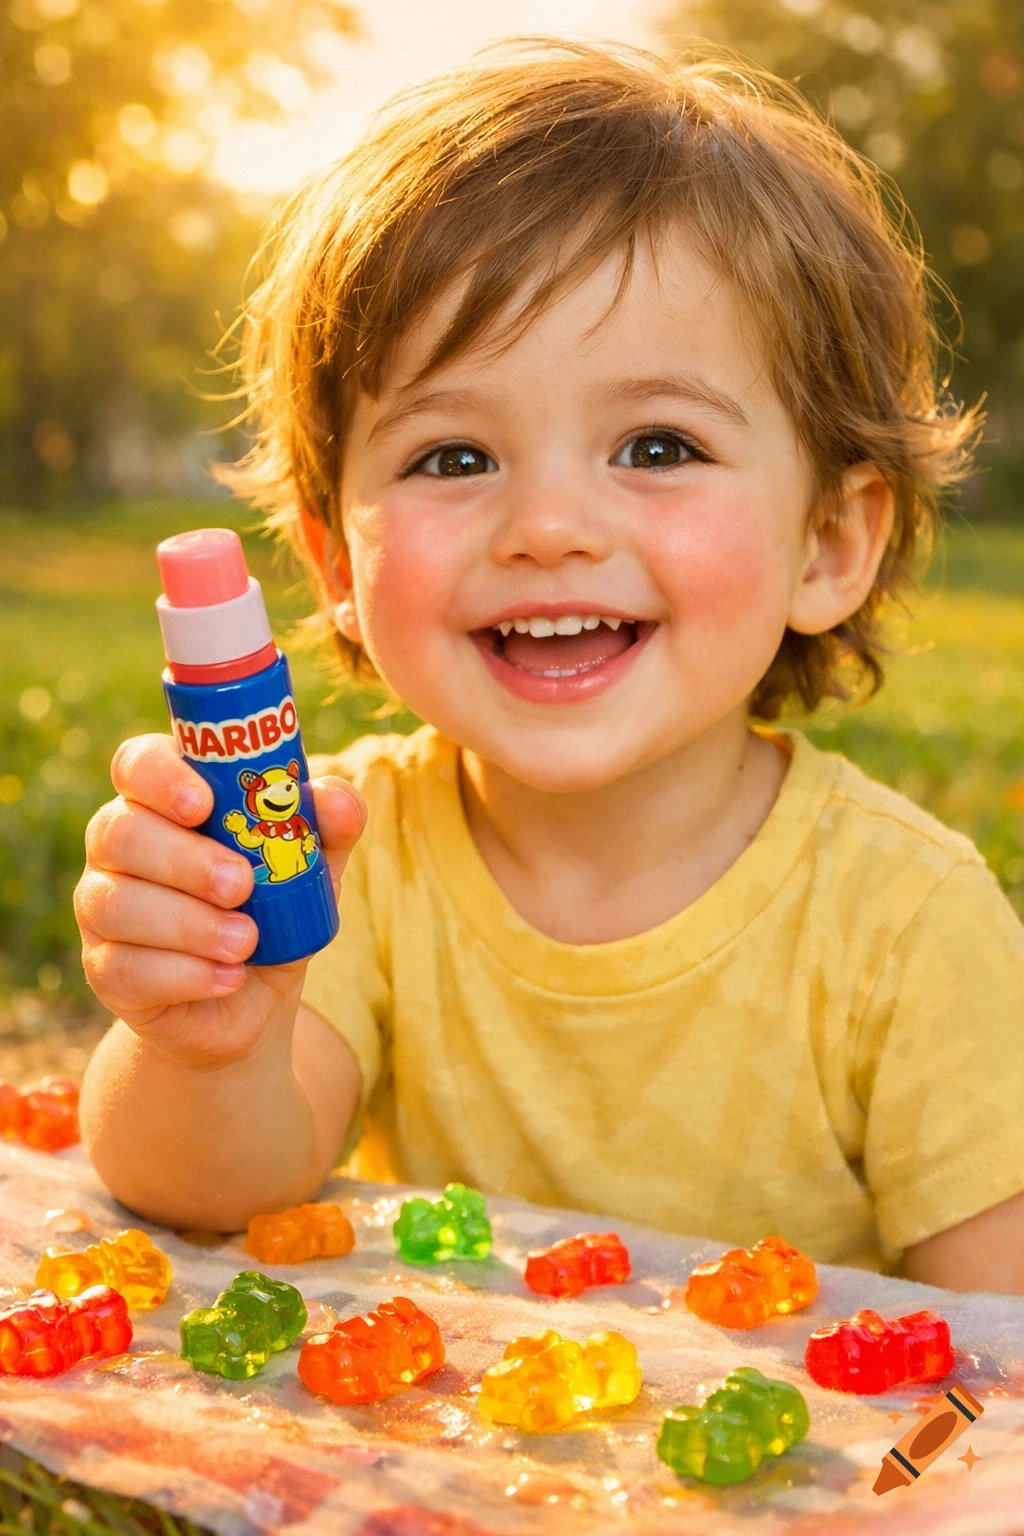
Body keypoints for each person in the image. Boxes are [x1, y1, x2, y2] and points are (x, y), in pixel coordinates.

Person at [73, 40, 1024, 1291]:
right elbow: (208, 1198)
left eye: (656, 443)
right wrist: (205, 1048)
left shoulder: (906, 924)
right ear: (336, 567)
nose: (548, 527)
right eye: (454, 458)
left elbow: (996, 1364)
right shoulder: (342, 860)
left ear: (829, 541)